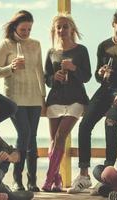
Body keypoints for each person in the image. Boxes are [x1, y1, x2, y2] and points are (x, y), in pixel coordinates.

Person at [68, 9, 117, 194]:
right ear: (113, 25)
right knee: (85, 124)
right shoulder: (103, 46)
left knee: (110, 123)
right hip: (105, 90)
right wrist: (101, 73)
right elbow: (98, 76)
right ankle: (84, 175)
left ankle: (107, 175)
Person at [0, 10, 46, 192]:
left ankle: (32, 181)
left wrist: (43, 97)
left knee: (32, 137)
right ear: (15, 26)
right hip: (14, 98)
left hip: (35, 98)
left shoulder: (36, 44)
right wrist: (11, 67)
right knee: (24, 134)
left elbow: (40, 71)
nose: (26, 32)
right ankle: (18, 180)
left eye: (29, 29)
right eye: (23, 29)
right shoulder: (5, 44)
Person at [42, 13, 92, 192]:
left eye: (65, 26)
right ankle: (57, 181)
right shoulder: (51, 52)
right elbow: (46, 79)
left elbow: (87, 76)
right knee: (53, 139)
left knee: (60, 136)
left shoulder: (81, 50)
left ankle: (48, 179)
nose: (62, 30)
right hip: (55, 99)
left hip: (76, 99)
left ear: (72, 29)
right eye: (59, 27)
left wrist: (74, 68)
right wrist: (54, 77)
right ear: (55, 30)